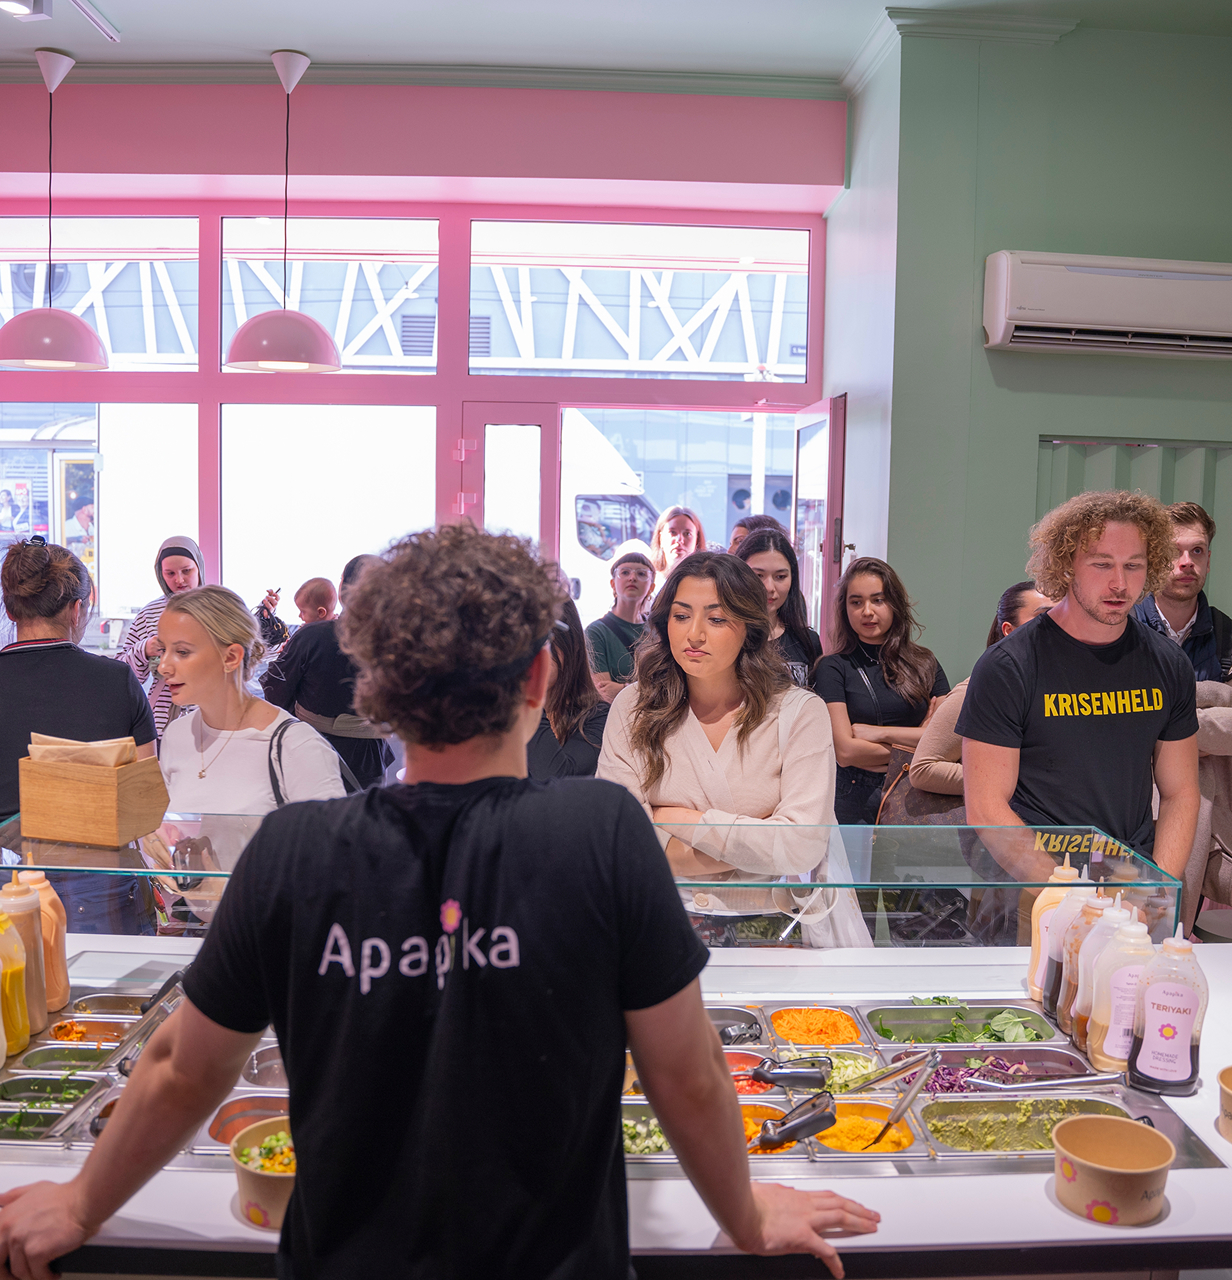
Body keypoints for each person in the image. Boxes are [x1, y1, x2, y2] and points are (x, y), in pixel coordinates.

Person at [0, 522, 880, 1280]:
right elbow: (683, 1075)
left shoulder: (294, 852)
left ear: (374, 687)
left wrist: (81, 1202)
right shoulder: (602, 834)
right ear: (539, 679)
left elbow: (181, 1070)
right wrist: (747, 1214)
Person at [959, 491, 1199, 881]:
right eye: (1102, 564)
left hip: (1128, 872)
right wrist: (1069, 896)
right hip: (1031, 880)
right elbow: (986, 807)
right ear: (1067, 564)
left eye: (1133, 565)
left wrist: (1158, 889)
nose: (1119, 583)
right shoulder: (1009, 665)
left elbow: (1180, 794)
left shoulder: (1168, 664)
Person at [597, 550, 841, 879]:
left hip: (768, 920)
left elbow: (802, 845)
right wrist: (762, 837)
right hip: (662, 915)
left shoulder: (799, 713)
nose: (694, 634)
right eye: (681, 616)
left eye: (716, 619)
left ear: (750, 628)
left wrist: (679, 820)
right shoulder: (634, 706)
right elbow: (615, 837)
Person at [0, 537, 158, 934]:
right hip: (98, 889)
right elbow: (145, 799)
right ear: (76, 610)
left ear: (10, 608)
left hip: (7, 881)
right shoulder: (116, 680)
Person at [158, 586, 345, 815]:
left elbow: (331, 847)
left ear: (231, 657)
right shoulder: (176, 736)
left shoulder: (298, 747)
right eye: (162, 650)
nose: (163, 667)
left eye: (182, 652)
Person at [811, 557, 950, 824]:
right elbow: (846, 752)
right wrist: (920, 739)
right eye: (856, 602)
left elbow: (946, 744)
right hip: (856, 797)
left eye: (878, 600)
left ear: (895, 604)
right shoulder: (833, 667)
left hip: (918, 795)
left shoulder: (925, 662)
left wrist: (879, 733)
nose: (867, 611)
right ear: (845, 608)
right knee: (855, 867)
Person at [909, 581, 1055, 796]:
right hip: (999, 824)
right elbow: (924, 768)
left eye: (1062, 616)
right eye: (1045, 617)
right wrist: (1017, 782)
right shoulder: (976, 690)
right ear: (1009, 631)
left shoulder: (1061, 688)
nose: (1059, 626)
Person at [261, 556, 392, 791]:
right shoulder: (397, 642)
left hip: (313, 747)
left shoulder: (311, 635)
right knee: (362, 823)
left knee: (314, 823)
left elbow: (275, 690)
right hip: (370, 757)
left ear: (342, 589)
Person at [115, 535, 207, 739]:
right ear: (160, 574)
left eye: (186, 571)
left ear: (199, 567)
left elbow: (255, 655)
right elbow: (122, 672)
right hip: (163, 725)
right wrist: (144, 649)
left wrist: (267, 625)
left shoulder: (220, 606)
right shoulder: (148, 614)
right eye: (170, 573)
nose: (179, 580)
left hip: (215, 720)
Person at [1130, 501, 1232, 680]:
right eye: (1173, 551)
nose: (1187, 562)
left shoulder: (1226, 635)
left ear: (1207, 561)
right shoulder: (1122, 624)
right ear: (1154, 559)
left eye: (1197, 550)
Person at [528, 598, 610, 779]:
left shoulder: (598, 717)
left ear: (573, 646)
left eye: (542, 642)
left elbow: (557, 779)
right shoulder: (502, 714)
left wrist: (530, 699)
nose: (530, 656)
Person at [736, 527, 822, 686]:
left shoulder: (808, 641)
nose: (769, 587)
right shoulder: (727, 637)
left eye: (780, 577)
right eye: (758, 576)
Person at [585, 550, 654, 702]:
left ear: (651, 587)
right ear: (613, 584)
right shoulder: (596, 632)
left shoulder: (657, 631)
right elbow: (604, 693)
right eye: (624, 572)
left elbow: (667, 685)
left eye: (641, 574)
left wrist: (622, 688)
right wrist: (648, 689)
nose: (632, 577)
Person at [648, 504, 706, 593]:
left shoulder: (706, 583)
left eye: (687, 534)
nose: (679, 540)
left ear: (697, 539)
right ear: (661, 537)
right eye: (672, 532)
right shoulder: (648, 581)